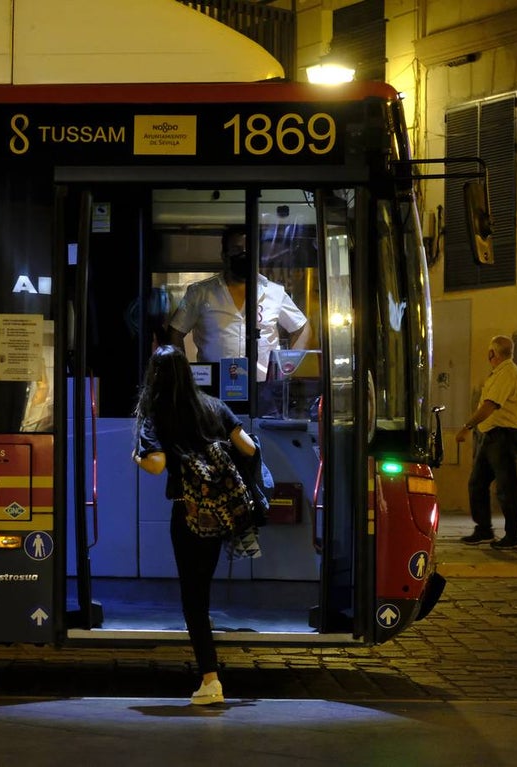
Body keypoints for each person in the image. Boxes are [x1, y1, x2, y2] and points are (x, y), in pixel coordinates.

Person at [131, 344, 257, 705]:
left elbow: (155, 465)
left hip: (187, 514)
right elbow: (247, 448)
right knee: (203, 587)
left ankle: (210, 679)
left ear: (154, 376)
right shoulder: (213, 405)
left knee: (193, 599)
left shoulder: (157, 414)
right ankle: (209, 670)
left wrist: (137, 455)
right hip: (219, 512)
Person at [168, 225, 312, 384]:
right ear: (224, 255)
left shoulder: (274, 292)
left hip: (264, 388)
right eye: (237, 249)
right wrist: (184, 376)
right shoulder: (200, 293)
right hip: (214, 388)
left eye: (248, 249)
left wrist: (286, 369)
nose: (244, 254)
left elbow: (302, 328)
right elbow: (175, 331)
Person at [457, 335, 517, 549]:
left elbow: (490, 405)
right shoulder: (503, 373)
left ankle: (514, 535)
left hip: (504, 435)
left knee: (506, 488)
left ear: (492, 353)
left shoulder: (507, 373)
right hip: (493, 436)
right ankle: (484, 529)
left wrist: (467, 427)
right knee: (477, 483)